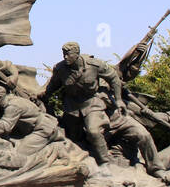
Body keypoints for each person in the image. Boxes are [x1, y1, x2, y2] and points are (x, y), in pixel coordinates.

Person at [40, 41, 123, 169]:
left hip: (92, 103)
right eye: (64, 54)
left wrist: (118, 99)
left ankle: (104, 163)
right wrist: (41, 96)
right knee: (72, 139)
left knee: (93, 131)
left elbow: (114, 78)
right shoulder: (60, 69)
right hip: (71, 108)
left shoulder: (94, 64)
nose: (65, 57)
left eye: (68, 54)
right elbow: (52, 87)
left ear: (77, 53)